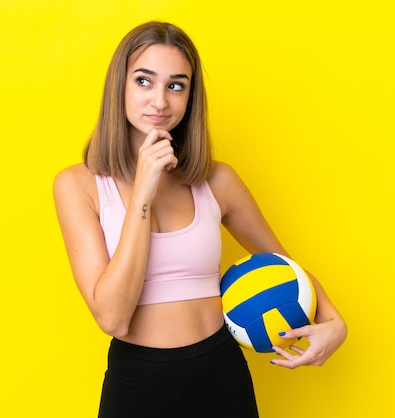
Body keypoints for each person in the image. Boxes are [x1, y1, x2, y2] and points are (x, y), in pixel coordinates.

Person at [53, 21, 347, 418]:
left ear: (191, 98)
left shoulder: (217, 181)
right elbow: (112, 316)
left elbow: (283, 265)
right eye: (144, 81)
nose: (160, 101)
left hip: (220, 375)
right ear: (119, 86)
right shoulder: (79, 185)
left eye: (176, 86)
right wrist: (144, 188)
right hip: (136, 382)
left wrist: (334, 322)